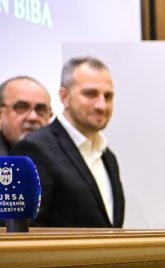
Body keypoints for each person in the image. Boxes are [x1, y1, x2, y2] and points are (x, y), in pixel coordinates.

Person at [12, 57, 124, 228]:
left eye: (108, 96)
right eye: (90, 94)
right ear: (64, 97)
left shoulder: (108, 156)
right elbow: (27, 232)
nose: (102, 105)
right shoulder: (35, 149)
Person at [0, 76, 52, 155]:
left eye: (40, 109)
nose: (33, 117)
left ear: (50, 116)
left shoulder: (63, 158)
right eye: (21, 107)